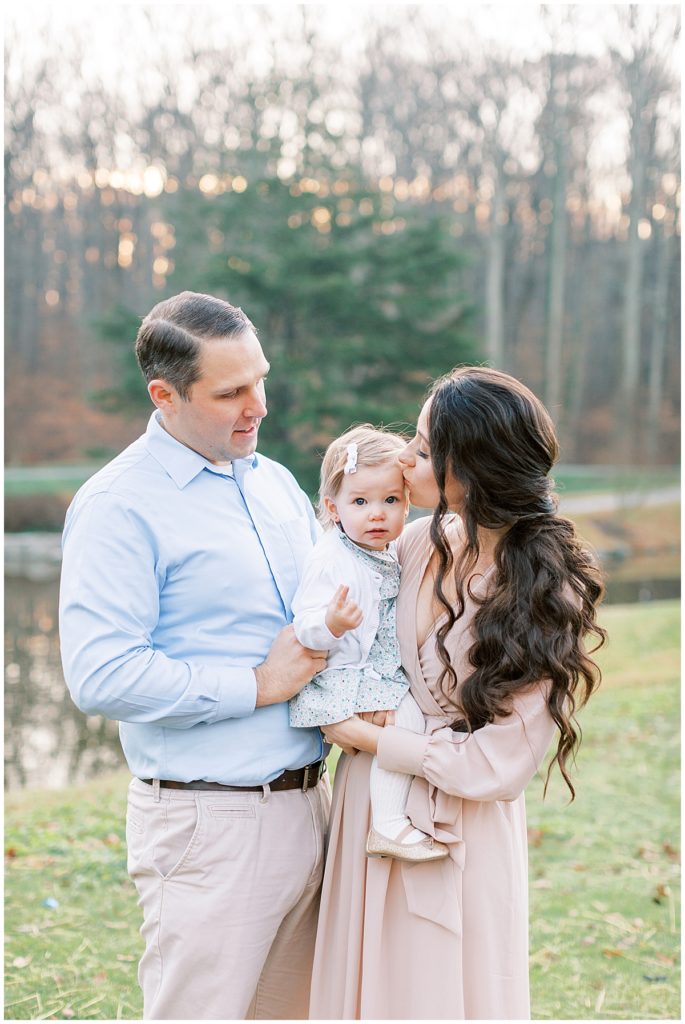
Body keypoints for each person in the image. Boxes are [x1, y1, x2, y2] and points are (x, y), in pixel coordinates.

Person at [59, 291, 331, 1021]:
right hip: (209, 825)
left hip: (314, 807)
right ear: (164, 395)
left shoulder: (274, 483)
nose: (257, 405)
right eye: (230, 392)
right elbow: (100, 673)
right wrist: (258, 684)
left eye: (260, 380)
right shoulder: (119, 504)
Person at [309, 366, 606, 1020]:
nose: (406, 459)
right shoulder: (416, 544)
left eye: (421, 446)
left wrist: (369, 738)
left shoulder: (543, 589)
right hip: (369, 802)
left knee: (438, 996)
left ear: (466, 467)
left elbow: (498, 764)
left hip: (457, 824)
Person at [289, 424, 448, 863]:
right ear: (332, 508)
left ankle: (394, 819)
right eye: (360, 502)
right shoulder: (331, 557)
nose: (376, 514)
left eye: (390, 501)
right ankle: (390, 823)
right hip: (348, 676)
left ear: (407, 503)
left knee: (409, 721)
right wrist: (332, 623)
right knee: (408, 722)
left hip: (376, 671)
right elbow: (305, 626)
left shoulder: (384, 552)